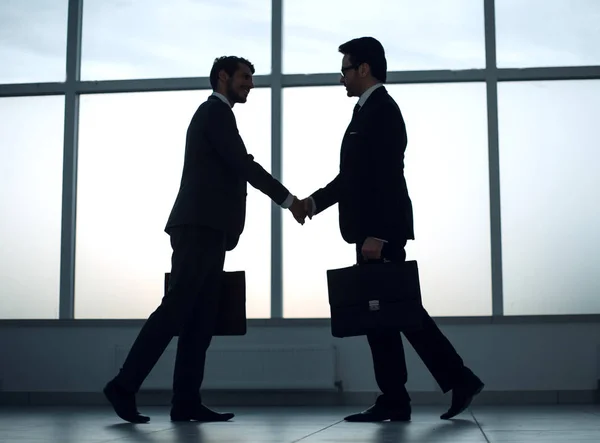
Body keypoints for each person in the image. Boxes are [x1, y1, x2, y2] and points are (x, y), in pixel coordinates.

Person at [103, 56, 307, 424]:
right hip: (198, 229)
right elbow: (242, 165)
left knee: (199, 321)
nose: (251, 85)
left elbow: (234, 166)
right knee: (176, 310)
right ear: (222, 77)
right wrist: (289, 201)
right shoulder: (214, 113)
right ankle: (123, 386)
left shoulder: (218, 115)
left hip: (208, 231)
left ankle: (185, 402)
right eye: (245, 77)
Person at [302, 37, 484, 422]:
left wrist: (381, 235)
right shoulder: (367, 112)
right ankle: (400, 397)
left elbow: (385, 175)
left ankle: (445, 382)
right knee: (386, 315)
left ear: (364, 69)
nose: (342, 78)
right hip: (370, 232)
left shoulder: (381, 111)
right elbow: (351, 178)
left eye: (345, 69)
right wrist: (313, 203)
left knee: (398, 313)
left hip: (378, 233)